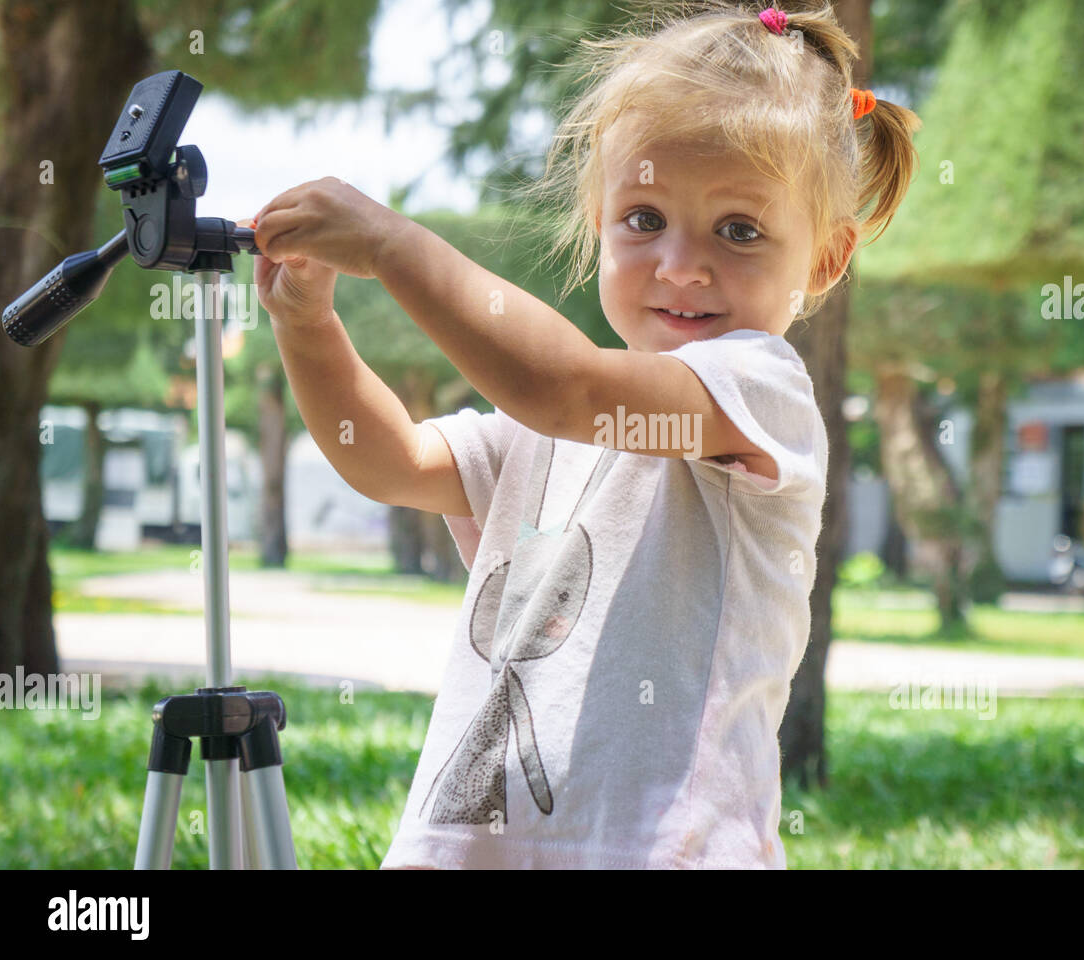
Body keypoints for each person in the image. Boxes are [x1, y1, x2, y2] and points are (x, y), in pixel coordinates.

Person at [244, 0, 919, 868]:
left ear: (825, 259)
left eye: (739, 230)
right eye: (643, 218)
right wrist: (308, 328)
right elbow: (395, 462)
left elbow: (559, 383)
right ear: (597, 218)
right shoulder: (555, 428)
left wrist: (391, 246)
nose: (681, 264)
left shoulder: (759, 390)